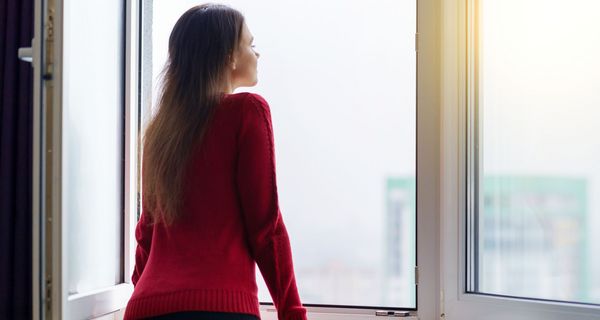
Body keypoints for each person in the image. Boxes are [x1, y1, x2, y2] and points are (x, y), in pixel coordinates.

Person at [123, 4, 307, 320]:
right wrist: (291, 311)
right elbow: (265, 228)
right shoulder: (247, 112)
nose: (257, 54)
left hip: (145, 307)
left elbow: (147, 234)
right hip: (221, 307)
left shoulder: (159, 132)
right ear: (228, 56)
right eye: (250, 44)